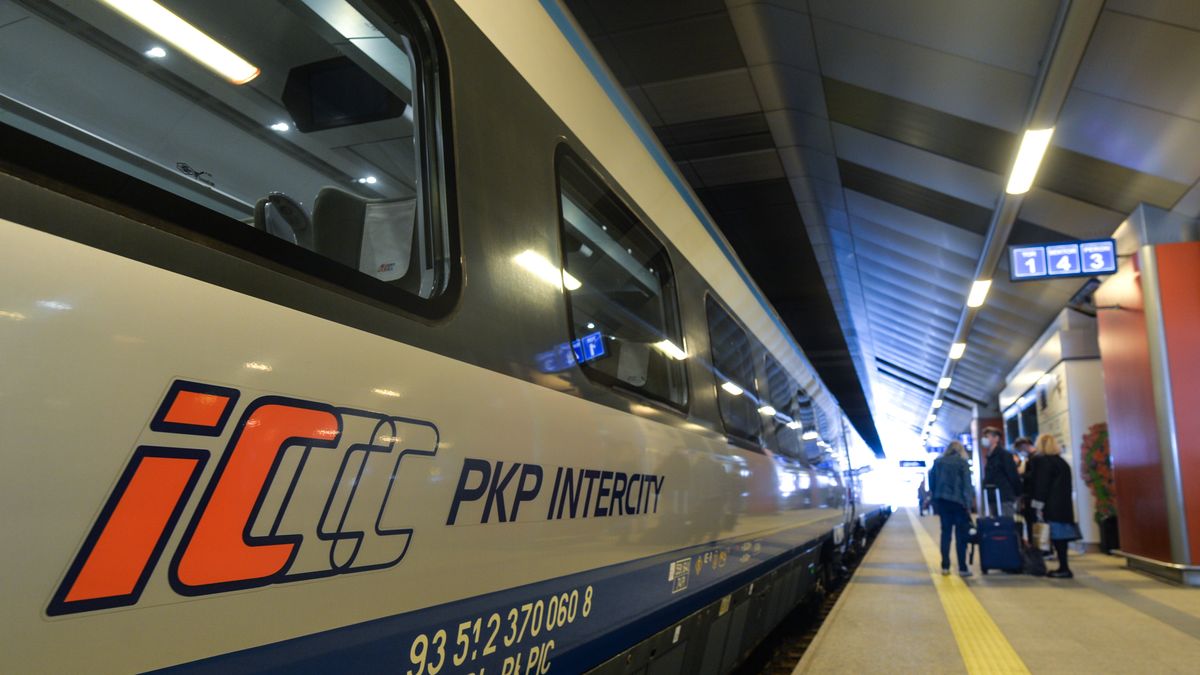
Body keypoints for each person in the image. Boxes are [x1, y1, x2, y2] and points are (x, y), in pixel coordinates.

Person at [1028, 434, 1078, 578]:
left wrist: (1037, 505)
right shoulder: (1062, 462)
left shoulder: (1042, 462)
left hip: (1051, 505)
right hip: (1064, 505)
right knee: (1061, 537)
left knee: (1057, 537)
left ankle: (1064, 568)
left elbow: (1041, 486)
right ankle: (1064, 566)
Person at [929, 441, 974, 576]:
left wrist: (936, 496)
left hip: (943, 502)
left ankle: (945, 566)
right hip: (959, 503)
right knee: (961, 536)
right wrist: (968, 504)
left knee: (946, 534)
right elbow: (967, 485)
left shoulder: (938, 462)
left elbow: (932, 482)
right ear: (960, 450)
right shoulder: (962, 462)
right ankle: (962, 568)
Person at [981, 426, 1021, 517]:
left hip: (1004, 496)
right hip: (992, 496)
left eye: (987, 437)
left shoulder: (1004, 455)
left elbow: (1012, 474)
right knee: (996, 526)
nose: (984, 439)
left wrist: (1018, 493)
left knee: (1005, 524)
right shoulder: (989, 456)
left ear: (996, 438)